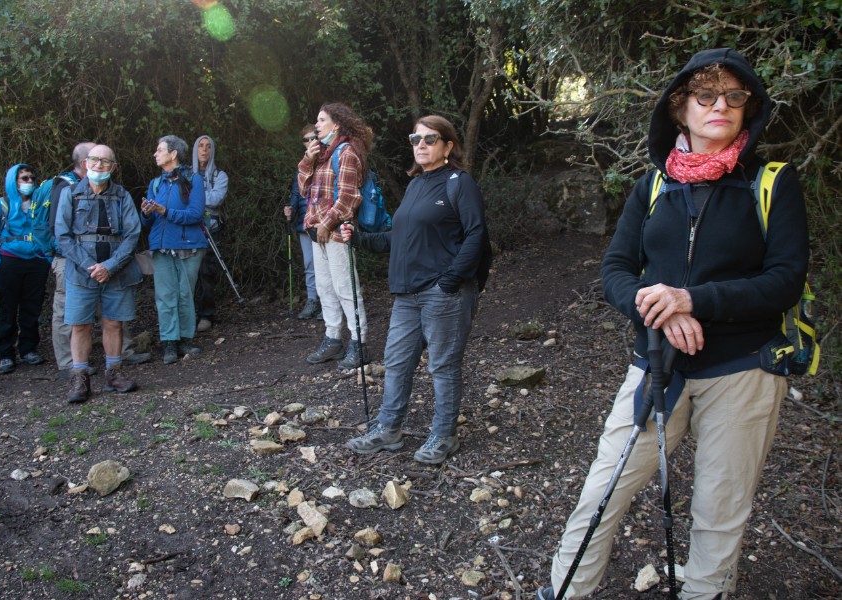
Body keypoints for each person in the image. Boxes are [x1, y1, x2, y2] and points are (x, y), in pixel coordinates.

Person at [537, 48, 809, 600]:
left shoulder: (772, 183)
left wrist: (693, 300)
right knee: (603, 491)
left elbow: (784, 279)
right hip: (656, 364)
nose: (721, 106)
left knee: (719, 508)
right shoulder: (654, 185)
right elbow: (614, 270)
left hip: (743, 369)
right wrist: (656, 305)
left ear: (749, 110)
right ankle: (565, 591)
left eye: (735, 97)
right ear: (680, 109)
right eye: (705, 96)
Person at [344, 115, 485, 464]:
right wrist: (360, 239)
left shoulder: (459, 183)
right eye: (415, 138)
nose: (420, 145)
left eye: (430, 139)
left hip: (443, 292)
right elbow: (400, 238)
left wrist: (450, 280)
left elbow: (476, 235)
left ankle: (444, 435)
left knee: (443, 365)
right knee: (396, 362)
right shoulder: (416, 186)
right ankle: (388, 429)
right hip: (407, 295)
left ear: (448, 146)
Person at [49, 142, 150, 378]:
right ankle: (79, 379)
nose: (99, 165)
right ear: (85, 163)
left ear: (113, 167)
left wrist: (110, 266)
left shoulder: (122, 196)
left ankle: (114, 375)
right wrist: (90, 266)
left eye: (105, 161)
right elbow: (62, 235)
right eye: (95, 160)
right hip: (80, 273)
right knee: (80, 325)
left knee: (113, 323)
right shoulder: (69, 194)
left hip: (117, 272)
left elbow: (132, 235)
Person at [298, 103, 371, 369]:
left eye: (321, 120)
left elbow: (350, 197)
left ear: (336, 124)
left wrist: (327, 224)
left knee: (346, 289)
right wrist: (308, 158)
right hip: (318, 232)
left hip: (338, 233)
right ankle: (333, 340)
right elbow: (303, 188)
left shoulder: (347, 152)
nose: (316, 125)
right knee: (325, 289)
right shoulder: (322, 153)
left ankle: (359, 344)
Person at [141, 135, 207, 365]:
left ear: (173, 154)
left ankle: (185, 340)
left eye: (160, 150)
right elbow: (148, 222)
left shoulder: (193, 179)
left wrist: (165, 211)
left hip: (189, 247)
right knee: (165, 296)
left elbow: (196, 214)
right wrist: (146, 213)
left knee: (185, 294)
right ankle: (169, 342)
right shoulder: (155, 183)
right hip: (161, 247)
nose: (155, 154)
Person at [0, 163, 53, 375]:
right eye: (24, 178)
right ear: (13, 182)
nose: (29, 182)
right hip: (9, 262)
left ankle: (28, 349)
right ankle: (5, 354)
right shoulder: (2, 205)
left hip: (37, 261)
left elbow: (49, 231)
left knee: (32, 308)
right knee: (7, 309)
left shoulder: (40, 204)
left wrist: (48, 257)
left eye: (32, 178)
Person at [192, 135, 229, 333]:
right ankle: (189, 314)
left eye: (208, 147)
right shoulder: (187, 174)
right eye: (200, 146)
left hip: (211, 229)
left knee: (207, 272)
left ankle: (206, 314)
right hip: (189, 229)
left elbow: (216, 199)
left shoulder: (220, 176)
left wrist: (194, 198)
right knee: (189, 273)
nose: (204, 150)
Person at [284, 125, 321, 320]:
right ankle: (313, 301)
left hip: (323, 224)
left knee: (325, 265)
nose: (311, 141)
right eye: (306, 139)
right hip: (304, 225)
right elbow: (296, 195)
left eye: (314, 137)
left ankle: (327, 303)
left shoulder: (326, 162)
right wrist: (290, 208)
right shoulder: (302, 167)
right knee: (309, 264)